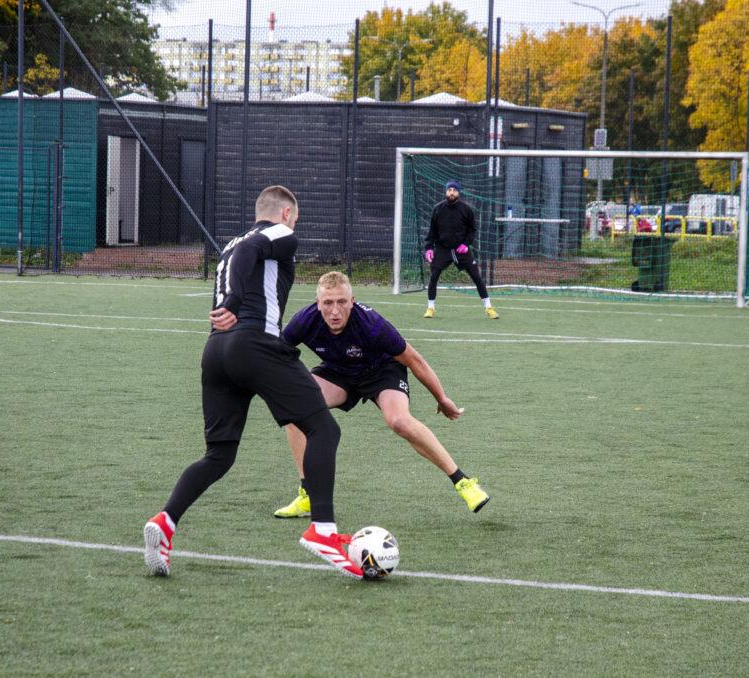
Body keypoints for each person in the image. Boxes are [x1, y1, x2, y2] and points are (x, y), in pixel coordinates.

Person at [143, 186, 363, 579]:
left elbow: (244, 254)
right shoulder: (278, 233)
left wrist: (230, 303)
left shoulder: (230, 244)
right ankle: (323, 531)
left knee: (219, 455)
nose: (294, 227)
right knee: (324, 429)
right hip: (254, 345)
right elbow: (251, 253)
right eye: (295, 219)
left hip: (216, 351)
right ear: (286, 213)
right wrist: (234, 301)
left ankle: (165, 521)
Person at [273, 271, 489, 519]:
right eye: (328, 303)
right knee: (294, 408)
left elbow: (415, 360)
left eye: (342, 302)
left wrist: (441, 398)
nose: (335, 311)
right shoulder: (305, 320)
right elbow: (276, 353)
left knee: (399, 421)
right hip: (338, 371)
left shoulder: (371, 323)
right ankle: (309, 495)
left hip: (382, 370)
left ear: (352, 301)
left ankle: (464, 483)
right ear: (317, 303)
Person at [423, 179, 498, 320]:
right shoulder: (438, 209)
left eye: (454, 190)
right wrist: (429, 248)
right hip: (443, 249)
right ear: (446, 192)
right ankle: (430, 307)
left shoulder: (466, 209)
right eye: (449, 190)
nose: (451, 193)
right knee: (433, 277)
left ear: (459, 192)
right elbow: (432, 231)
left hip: (461, 250)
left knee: (476, 277)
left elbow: (472, 230)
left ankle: (488, 307)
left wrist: (466, 244)